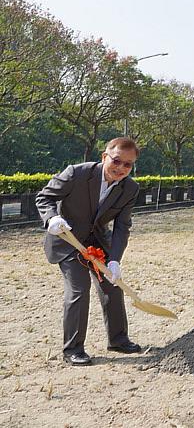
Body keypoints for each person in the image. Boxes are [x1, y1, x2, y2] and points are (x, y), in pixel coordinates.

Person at [36, 137, 142, 366]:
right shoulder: (76, 174)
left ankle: (118, 340)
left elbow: (122, 227)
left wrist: (114, 260)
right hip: (67, 239)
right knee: (79, 288)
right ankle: (73, 350)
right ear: (105, 157)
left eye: (128, 165)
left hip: (97, 242)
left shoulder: (130, 188)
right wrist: (52, 217)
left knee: (112, 286)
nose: (121, 168)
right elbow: (44, 197)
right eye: (116, 161)